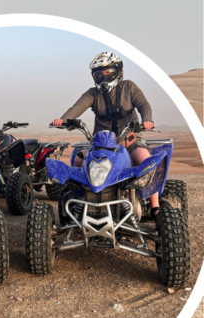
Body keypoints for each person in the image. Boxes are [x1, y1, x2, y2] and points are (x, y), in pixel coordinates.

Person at [51, 52, 159, 215]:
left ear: (117, 71)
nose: (103, 77)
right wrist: (64, 120)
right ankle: (78, 202)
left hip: (129, 139)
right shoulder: (93, 93)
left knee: (145, 160)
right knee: (79, 161)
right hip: (101, 143)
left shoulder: (129, 87)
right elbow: (77, 107)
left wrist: (147, 120)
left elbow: (144, 105)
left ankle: (154, 205)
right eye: (99, 74)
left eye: (107, 73)